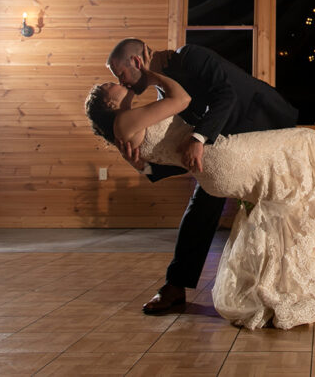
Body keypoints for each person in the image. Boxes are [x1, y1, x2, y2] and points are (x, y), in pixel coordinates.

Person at [85, 68, 315, 329]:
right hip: (219, 154)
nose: (117, 81)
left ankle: (305, 286)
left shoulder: (127, 130)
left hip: (211, 170)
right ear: (108, 102)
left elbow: (157, 164)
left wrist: (144, 168)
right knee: (307, 142)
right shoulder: (126, 121)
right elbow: (181, 99)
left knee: (289, 205)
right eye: (109, 83)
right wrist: (150, 76)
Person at [105, 38, 299, 315]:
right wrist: (144, 166)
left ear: (137, 62)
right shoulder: (166, 97)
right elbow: (181, 154)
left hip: (267, 125)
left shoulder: (191, 56)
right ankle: (175, 286)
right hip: (224, 149)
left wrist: (199, 137)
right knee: (201, 205)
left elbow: (227, 94)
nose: (123, 83)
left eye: (121, 75)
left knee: (289, 210)